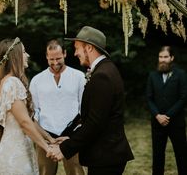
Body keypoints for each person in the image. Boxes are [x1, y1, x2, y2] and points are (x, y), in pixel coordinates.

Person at [47, 26, 134, 175]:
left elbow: (95, 123)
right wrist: (70, 137)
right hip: (107, 154)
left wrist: (64, 149)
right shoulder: (105, 69)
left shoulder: (102, 76)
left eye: (77, 48)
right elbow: (92, 117)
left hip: (106, 156)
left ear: (89, 47)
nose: (75, 53)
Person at [0, 37, 55, 175]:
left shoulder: (8, 81)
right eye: (24, 52)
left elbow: (29, 119)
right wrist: (46, 148)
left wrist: (50, 139)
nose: (27, 55)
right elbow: (24, 122)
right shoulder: (12, 83)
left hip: (21, 150)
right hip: (15, 157)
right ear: (15, 57)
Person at [30, 39, 85, 175]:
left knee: (76, 172)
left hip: (72, 137)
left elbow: (83, 108)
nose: (55, 63)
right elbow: (34, 111)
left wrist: (75, 134)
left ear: (65, 54)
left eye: (58, 58)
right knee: (44, 173)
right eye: (51, 59)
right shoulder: (37, 80)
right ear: (46, 56)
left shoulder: (78, 76)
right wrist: (46, 137)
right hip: (45, 137)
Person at [146, 45, 187, 175]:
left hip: (176, 123)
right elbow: (149, 98)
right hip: (157, 123)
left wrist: (167, 116)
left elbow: (183, 98)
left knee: (182, 156)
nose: (162, 59)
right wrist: (158, 115)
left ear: (172, 58)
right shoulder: (152, 75)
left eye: (165, 57)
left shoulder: (181, 74)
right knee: (158, 157)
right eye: (160, 57)